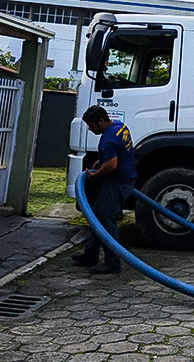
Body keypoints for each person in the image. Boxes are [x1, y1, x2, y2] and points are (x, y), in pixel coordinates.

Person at [72, 105, 137, 274]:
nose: (89, 129)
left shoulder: (108, 139)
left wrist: (96, 175)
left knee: (106, 222)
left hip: (117, 183)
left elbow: (111, 165)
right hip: (126, 179)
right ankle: (90, 255)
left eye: (92, 125)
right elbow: (116, 153)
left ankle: (112, 263)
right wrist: (101, 161)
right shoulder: (119, 126)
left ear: (101, 121)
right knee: (98, 217)